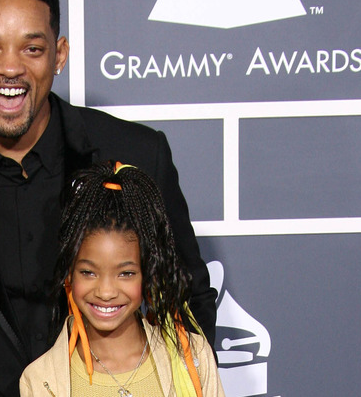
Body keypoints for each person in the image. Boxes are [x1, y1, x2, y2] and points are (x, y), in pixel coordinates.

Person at [0, 0, 217, 396]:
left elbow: (188, 294)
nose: (10, 67)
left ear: (59, 54)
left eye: (32, 48)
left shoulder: (136, 153)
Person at [20, 162, 224, 396]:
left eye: (126, 273)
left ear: (148, 273)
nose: (106, 292)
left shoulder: (193, 357)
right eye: (88, 272)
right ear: (69, 273)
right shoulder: (40, 380)